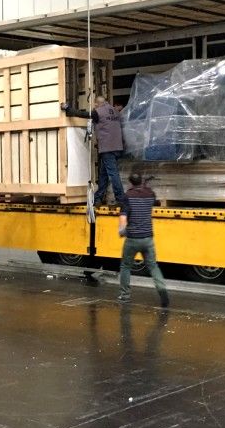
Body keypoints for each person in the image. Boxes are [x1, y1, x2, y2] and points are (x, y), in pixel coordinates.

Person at [117, 171, 169, 308]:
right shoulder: (150, 194)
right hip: (148, 238)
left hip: (133, 239)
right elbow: (152, 199)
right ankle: (162, 290)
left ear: (130, 183)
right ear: (141, 181)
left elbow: (123, 216)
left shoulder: (127, 196)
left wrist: (122, 231)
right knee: (153, 266)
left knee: (125, 266)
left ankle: (125, 296)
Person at [61, 95, 124, 205]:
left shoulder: (98, 112)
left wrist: (67, 108)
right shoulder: (115, 111)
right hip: (118, 147)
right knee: (103, 174)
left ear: (97, 104)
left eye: (95, 105)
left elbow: (82, 114)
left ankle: (121, 199)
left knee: (113, 174)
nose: (94, 107)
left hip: (107, 148)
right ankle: (98, 198)